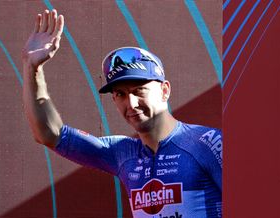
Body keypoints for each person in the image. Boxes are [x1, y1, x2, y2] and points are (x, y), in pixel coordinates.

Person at [22, 9, 222, 218]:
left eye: (139, 91)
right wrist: (31, 68)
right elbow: (49, 134)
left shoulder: (207, 143)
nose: (131, 103)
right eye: (121, 94)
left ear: (165, 90)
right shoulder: (122, 153)